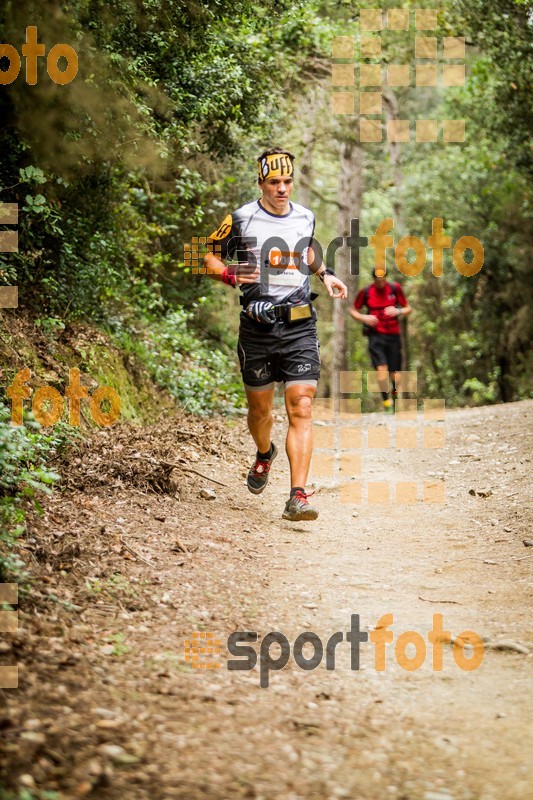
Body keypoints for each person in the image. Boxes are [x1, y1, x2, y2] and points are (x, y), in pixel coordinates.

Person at [204, 146, 347, 521]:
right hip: (257, 327)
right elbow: (206, 255)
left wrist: (326, 274)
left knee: (301, 405)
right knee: (259, 411)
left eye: (287, 181)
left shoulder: (305, 217)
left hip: (300, 324)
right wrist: (228, 273)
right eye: (274, 182)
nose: (282, 189)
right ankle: (264, 454)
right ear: (261, 183)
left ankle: (298, 494)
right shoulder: (241, 218)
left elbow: (307, 251)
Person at [349, 269, 412, 412]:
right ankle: (386, 402)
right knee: (381, 369)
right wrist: (364, 318)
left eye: (383, 279)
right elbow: (353, 310)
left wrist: (398, 311)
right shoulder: (366, 292)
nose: (381, 282)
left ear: (386, 277)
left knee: (395, 374)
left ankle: (395, 396)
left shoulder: (395, 289)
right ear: (373, 279)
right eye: (378, 279)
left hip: (393, 335)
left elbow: (408, 308)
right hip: (375, 336)